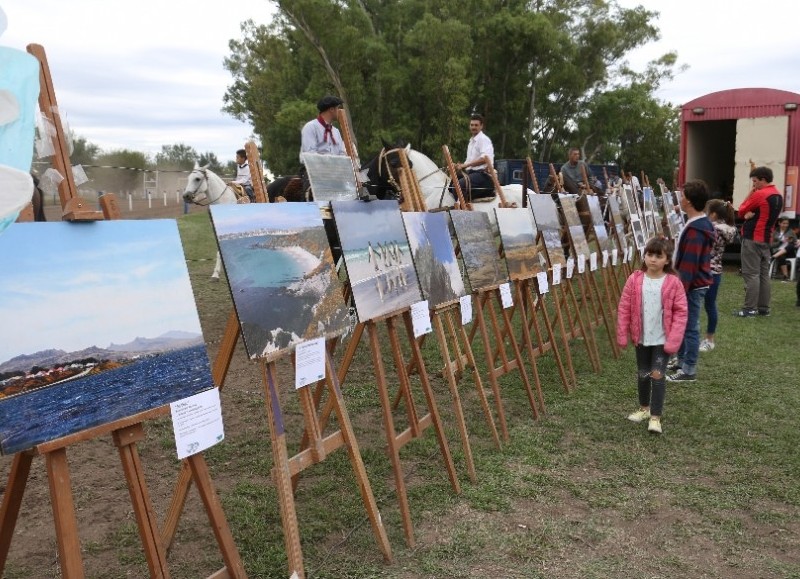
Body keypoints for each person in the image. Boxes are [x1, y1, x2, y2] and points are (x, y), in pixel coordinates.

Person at [617, 237, 688, 434]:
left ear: (667, 260)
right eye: (649, 254)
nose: (653, 259)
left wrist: (674, 339)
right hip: (641, 338)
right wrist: (623, 334)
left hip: (662, 340)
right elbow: (624, 308)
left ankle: (655, 417)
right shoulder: (635, 279)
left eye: (658, 256)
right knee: (643, 375)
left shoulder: (673, 283)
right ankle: (644, 409)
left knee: (657, 374)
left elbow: (681, 312)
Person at [666, 179, 714, 382]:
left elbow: (689, 265)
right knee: (684, 324)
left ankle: (689, 370)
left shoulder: (697, 229)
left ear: (690, 201)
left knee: (690, 327)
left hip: (691, 286)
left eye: (683, 196)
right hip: (691, 285)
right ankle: (682, 360)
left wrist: (679, 289)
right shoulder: (696, 224)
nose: (681, 199)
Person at [734, 166, 784, 316]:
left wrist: (751, 195)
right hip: (767, 239)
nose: (754, 185)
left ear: (763, 179)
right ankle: (763, 308)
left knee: (751, 274)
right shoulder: (778, 195)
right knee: (763, 275)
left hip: (752, 239)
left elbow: (742, 210)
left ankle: (749, 309)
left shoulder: (760, 194)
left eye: (755, 181)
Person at [699, 199, 736, 352]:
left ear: (713, 214)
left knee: (698, 305)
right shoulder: (729, 228)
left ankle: (707, 340)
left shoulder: (711, 228)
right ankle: (710, 338)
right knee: (710, 305)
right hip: (716, 272)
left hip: (704, 270)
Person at [299, 95, 346, 195]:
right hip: (315, 172)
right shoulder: (311, 127)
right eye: (337, 108)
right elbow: (310, 155)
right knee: (310, 194)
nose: (339, 111)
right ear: (331, 109)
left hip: (336, 173)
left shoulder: (336, 131)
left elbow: (342, 153)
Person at [451, 114, 495, 200]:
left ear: (481, 126)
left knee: (458, 186)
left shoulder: (483, 139)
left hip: (483, 176)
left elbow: (485, 159)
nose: (473, 127)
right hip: (472, 174)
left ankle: (464, 211)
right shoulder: (471, 142)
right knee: (450, 186)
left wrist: (465, 165)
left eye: (476, 125)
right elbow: (468, 164)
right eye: (472, 125)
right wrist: (458, 166)